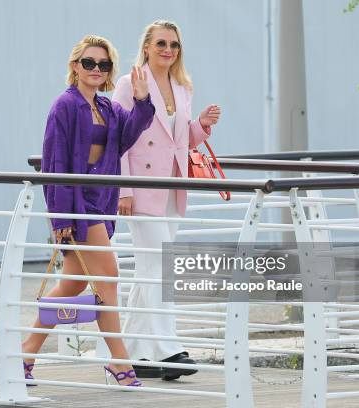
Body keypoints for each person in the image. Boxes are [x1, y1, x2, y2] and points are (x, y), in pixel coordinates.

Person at [21, 34, 155, 387]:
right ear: (75, 66)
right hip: (78, 207)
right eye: (89, 63)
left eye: (104, 64)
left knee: (72, 284)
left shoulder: (108, 108)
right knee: (109, 276)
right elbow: (55, 164)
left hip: (101, 202)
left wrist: (142, 101)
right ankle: (119, 361)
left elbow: (130, 134)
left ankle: (23, 355)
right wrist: (62, 218)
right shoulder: (63, 106)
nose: (96, 69)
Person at [112, 20, 221, 381]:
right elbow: (119, 141)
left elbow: (179, 142)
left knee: (150, 270)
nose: (168, 49)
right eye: (161, 42)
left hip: (173, 187)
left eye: (174, 44)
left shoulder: (182, 86)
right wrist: (124, 190)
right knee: (158, 268)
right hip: (141, 188)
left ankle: (132, 353)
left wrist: (201, 125)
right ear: (146, 46)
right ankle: (169, 349)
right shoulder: (130, 84)